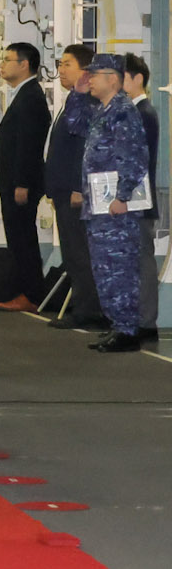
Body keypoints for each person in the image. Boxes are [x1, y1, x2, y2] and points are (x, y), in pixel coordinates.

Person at [82, 53, 156, 353]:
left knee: (119, 268)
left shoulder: (124, 112)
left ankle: (126, 330)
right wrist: (76, 94)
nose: (89, 79)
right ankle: (117, 326)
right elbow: (75, 124)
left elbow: (135, 158)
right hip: (100, 205)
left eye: (95, 74)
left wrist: (122, 196)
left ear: (113, 79)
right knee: (105, 268)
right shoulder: (105, 109)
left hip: (115, 207)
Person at [44, 43, 102, 329]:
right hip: (62, 190)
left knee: (80, 253)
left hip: (74, 192)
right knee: (72, 253)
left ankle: (88, 311)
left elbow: (83, 149)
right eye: (60, 63)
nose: (61, 69)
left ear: (85, 71)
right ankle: (84, 307)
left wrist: (80, 188)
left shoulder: (88, 103)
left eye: (67, 64)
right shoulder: (72, 100)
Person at [0, 41, 50, 310]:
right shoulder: (20, 94)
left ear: (24, 65)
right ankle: (22, 289)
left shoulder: (31, 97)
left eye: (8, 60)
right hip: (11, 181)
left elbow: (29, 145)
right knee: (16, 238)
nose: (2, 65)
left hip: (20, 184)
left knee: (23, 239)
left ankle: (31, 294)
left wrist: (22, 183)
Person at [127, 55, 159, 349]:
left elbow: (139, 162)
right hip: (132, 201)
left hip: (139, 201)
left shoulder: (144, 113)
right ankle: (133, 320)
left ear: (137, 79)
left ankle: (146, 321)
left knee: (142, 263)